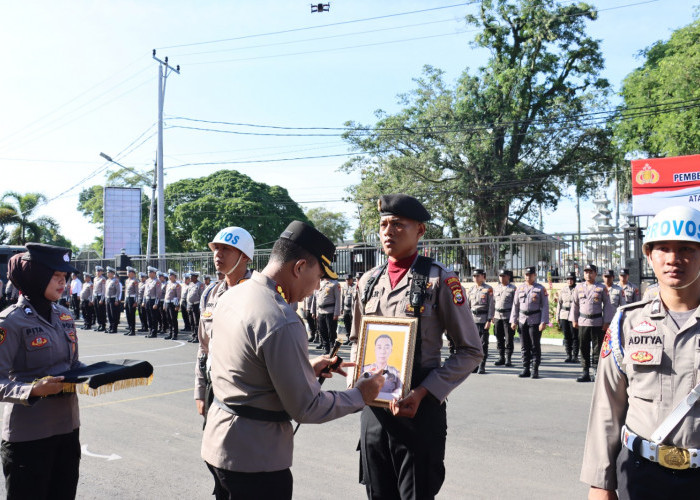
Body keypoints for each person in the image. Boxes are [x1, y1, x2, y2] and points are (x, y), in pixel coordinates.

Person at [201, 220, 384, 500]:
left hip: (220, 444)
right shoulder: (281, 318)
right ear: (299, 267)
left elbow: (246, 369)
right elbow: (307, 408)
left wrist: (305, 370)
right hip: (256, 460)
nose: (317, 286)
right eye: (319, 276)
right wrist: (361, 394)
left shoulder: (234, 294)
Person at [349, 194, 483, 500]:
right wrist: (355, 379)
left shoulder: (440, 280)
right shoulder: (368, 282)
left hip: (419, 408)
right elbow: (358, 340)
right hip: (374, 411)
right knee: (378, 493)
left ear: (420, 231)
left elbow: (470, 350)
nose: (388, 231)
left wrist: (423, 392)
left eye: (398, 224)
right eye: (383, 224)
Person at [580, 205, 700, 498]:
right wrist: (600, 484)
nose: (674, 258)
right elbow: (607, 408)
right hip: (640, 475)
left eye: (687, 248)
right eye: (663, 248)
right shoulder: (626, 322)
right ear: (649, 254)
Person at [0, 243, 84, 499]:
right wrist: (33, 390)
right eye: (56, 276)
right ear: (36, 276)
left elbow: (74, 366)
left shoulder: (66, 317)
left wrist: (98, 375)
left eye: (64, 277)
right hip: (28, 436)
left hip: (68, 428)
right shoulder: (10, 322)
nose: (63, 283)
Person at [195, 226, 255, 422]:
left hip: (248, 393)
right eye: (216, 249)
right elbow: (204, 348)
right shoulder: (210, 294)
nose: (218, 254)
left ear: (245, 256)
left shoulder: (260, 293)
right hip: (215, 388)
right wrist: (200, 389)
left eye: (226, 249)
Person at [569, 263, 614, 383]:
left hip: (597, 322)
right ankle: (585, 372)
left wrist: (606, 321)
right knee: (583, 347)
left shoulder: (601, 288)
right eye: (586, 272)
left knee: (597, 348)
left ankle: (596, 371)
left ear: (595, 273)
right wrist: (574, 319)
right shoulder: (578, 287)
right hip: (583, 322)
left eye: (590, 272)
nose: (588, 274)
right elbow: (575, 305)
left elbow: (608, 306)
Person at [510, 266, 549, 379]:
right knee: (524, 346)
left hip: (535, 320)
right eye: (526, 275)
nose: (528, 277)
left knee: (534, 345)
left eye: (530, 275)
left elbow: (545, 306)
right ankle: (525, 368)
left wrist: (543, 322)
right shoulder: (520, 288)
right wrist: (513, 320)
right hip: (522, 319)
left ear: (534, 275)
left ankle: (535, 369)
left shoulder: (541, 289)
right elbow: (515, 305)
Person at [467, 268, 494, 373]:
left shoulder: (488, 289)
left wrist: (489, 320)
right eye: (474, 276)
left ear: (483, 276)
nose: (476, 278)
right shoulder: (471, 289)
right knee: (473, 345)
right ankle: (475, 365)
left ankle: (482, 365)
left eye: (478, 276)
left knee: (483, 344)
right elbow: (468, 306)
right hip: (472, 319)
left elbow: (491, 306)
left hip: (483, 319)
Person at [361, 334, 402, 400]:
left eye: (387, 347)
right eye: (379, 347)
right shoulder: (364, 370)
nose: (383, 351)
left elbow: (399, 392)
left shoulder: (396, 373)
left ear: (391, 351)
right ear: (375, 350)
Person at [493, 269, 516, 367]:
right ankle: (501, 357)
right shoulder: (496, 288)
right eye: (500, 276)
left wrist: (515, 319)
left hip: (508, 316)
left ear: (508, 277)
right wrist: (492, 316)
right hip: (497, 316)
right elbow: (493, 303)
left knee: (509, 338)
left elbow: (516, 305)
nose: (502, 278)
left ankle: (508, 359)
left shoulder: (513, 289)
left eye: (504, 276)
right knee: (499, 337)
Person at [313, 275, 341, 354]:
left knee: (331, 332)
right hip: (321, 311)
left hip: (330, 311)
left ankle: (333, 348)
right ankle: (326, 348)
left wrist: (336, 313)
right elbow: (317, 299)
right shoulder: (320, 283)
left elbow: (338, 299)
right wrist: (316, 312)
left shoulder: (335, 284)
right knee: (322, 331)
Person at [557, 271, 579, 363]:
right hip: (564, 314)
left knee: (575, 336)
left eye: (571, 279)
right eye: (568, 279)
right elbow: (559, 303)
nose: (569, 281)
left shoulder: (578, 289)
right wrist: (557, 316)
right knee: (566, 336)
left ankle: (575, 356)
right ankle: (568, 355)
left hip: (574, 314)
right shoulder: (563, 289)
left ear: (574, 280)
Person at [142, 267, 161, 338]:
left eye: (150, 272)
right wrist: (144, 301)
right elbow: (145, 292)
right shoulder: (147, 281)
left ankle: (154, 332)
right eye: (148, 272)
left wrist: (156, 303)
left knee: (154, 317)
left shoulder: (157, 281)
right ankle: (150, 331)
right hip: (147, 300)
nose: (148, 273)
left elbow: (158, 294)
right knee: (148, 317)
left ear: (154, 273)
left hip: (153, 300)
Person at [163, 269, 182, 340]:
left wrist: (177, 306)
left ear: (174, 276)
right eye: (169, 275)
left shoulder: (177, 285)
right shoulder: (168, 284)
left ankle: (175, 334)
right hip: (167, 303)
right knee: (169, 320)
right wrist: (164, 304)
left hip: (173, 304)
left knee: (173, 319)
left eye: (171, 275)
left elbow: (178, 296)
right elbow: (166, 295)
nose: (169, 276)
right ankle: (170, 333)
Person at [187, 272, 204, 343]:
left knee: (196, 322)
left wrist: (201, 307)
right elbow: (188, 295)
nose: (190, 278)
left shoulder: (200, 285)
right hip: (190, 305)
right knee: (191, 322)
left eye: (192, 276)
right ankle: (193, 335)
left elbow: (202, 296)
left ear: (195, 277)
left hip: (196, 305)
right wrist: (188, 306)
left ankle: (197, 337)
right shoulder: (190, 284)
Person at [340, 273, 356, 345]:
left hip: (352, 308)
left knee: (352, 324)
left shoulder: (355, 286)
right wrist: (341, 308)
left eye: (349, 279)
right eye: (346, 280)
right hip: (346, 308)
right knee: (346, 323)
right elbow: (342, 298)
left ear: (352, 279)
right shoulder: (344, 287)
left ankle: (352, 339)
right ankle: (348, 337)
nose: (347, 281)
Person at [123, 266, 139, 336]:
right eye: (127, 272)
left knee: (132, 315)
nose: (128, 273)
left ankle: (133, 330)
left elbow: (137, 292)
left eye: (129, 272)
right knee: (128, 315)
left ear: (132, 273)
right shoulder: (127, 281)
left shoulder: (135, 281)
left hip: (132, 299)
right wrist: (125, 300)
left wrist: (136, 302)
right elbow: (126, 291)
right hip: (127, 299)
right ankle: (129, 329)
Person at [105, 266, 121, 333]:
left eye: (109, 273)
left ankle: (114, 328)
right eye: (107, 272)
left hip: (113, 299)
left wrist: (116, 300)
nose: (107, 274)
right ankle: (110, 327)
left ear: (112, 273)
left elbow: (118, 291)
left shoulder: (115, 281)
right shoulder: (108, 280)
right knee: (109, 314)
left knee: (113, 314)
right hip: (108, 298)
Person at [93, 265, 107, 332]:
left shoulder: (103, 279)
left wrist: (102, 299)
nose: (97, 272)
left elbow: (104, 290)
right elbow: (94, 289)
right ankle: (99, 324)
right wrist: (93, 298)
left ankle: (103, 325)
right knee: (97, 312)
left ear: (101, 272)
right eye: (97, 271)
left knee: (101, 311)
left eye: (99, 271)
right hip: (95, 296)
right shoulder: (95, 279)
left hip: (100, 296)